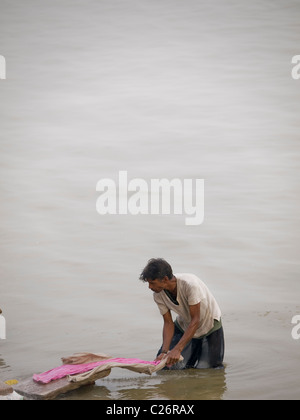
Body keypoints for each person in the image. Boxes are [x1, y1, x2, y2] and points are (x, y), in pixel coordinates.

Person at [139, 258, 224, 369]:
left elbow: (196, 320)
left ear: (164, 279)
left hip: (208, 325)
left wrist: (177, 349)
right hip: (185, 324)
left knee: (208, 369)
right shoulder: (158, 294)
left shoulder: (190, 285)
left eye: (152, 283)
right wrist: (165, 351)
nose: (149, 287)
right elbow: (168, 323)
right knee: (166, 365)